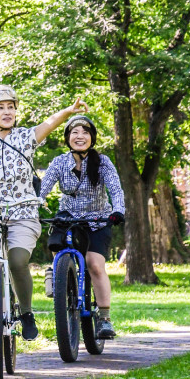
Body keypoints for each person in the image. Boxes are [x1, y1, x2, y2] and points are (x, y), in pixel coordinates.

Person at [0, 86, 87, 341]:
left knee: (16, 260)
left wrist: (68, 112)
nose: (7, 112)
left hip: (23, 209)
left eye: (11, 107)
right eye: (0, 108)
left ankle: (26, 313)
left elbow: (48, 124)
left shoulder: (26, 137)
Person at [39, 114, 126, 339]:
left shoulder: (103, 162)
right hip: (68, 215)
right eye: (75, 132)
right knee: (56, 246)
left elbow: (115, 189)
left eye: (85, 132)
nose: (80, 136)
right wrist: (35, 203)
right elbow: (44, 187)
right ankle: (57, 277)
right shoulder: (59, 162)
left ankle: (104, 319)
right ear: (68, 137)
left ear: (92, 137)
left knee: (94, 264)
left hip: (98, 219)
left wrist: (118, 211)